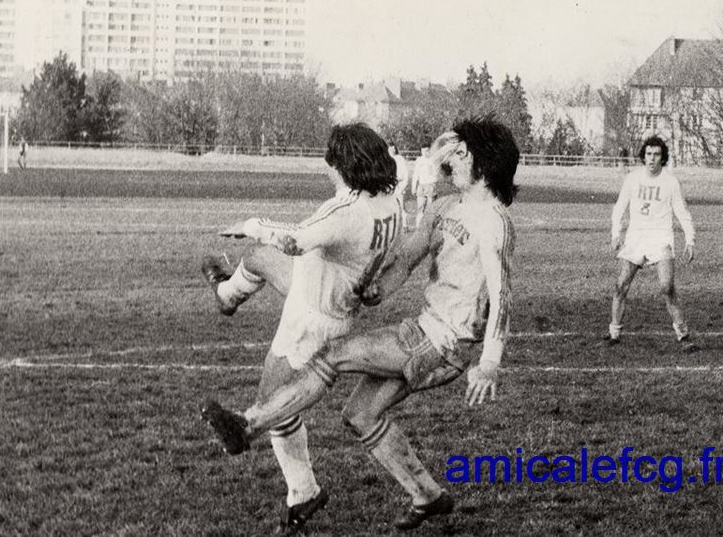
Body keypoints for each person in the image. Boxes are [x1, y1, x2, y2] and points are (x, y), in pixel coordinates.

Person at [202, 117, 519, 531]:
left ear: (485, 163)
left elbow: (502, 294)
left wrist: (491, 361)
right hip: (424, 332)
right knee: (360, 413)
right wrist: (379, 290)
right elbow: (406, 258)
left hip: (442, 342)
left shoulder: (493, 220)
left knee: (331, 356)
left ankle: (249, 425)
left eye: (464, 153)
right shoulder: (445, 207)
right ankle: (427, 494)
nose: (454, 159)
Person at [200, 122, 403, 531]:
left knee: (273, 402)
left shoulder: (347, 210)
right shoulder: (392, 204)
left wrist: (253, 223)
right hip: (326, 289)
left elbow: (295, 240)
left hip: (314, 315)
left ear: (346, 167)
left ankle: (303, 491)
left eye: (332, 164)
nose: (328, 171)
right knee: (257, 259)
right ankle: (226, 296)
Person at [608, 136, 698, 352]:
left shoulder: (670, 182)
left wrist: (690, 238)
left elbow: (682, 212)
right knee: (621, 286)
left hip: (661, 238)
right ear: (643, 156)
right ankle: (614, 332)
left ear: (662, 157)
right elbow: (619, 208)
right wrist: (616, 233)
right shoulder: (632, 179)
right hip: (635, 238)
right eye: (648, 154)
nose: (652, 158)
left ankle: (683, 334)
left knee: (667, 287)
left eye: (656, 154)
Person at [411, 144, 439, 228]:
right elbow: (415, 174)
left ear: (429, 150)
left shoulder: (433, 160)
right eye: (423, 151)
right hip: (421, 186)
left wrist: (433, 184)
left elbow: (436, 174)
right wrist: (413, 187)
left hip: (430, 185)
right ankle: (418, 228)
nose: (424, 153)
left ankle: (430, 228)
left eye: (426, 151)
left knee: (430, 208)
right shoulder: (419, 160)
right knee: (420, 207)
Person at [389, 144, 410, 230]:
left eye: (394, 148)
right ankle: (393, 226)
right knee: (390, 207)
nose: (392, 150)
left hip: (399, 186)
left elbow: (405, 174)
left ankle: (405, 225)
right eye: (390, 148)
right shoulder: (386, 159)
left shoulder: (400, 159)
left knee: (402, 206)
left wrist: (403, 186)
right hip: (390, 186)